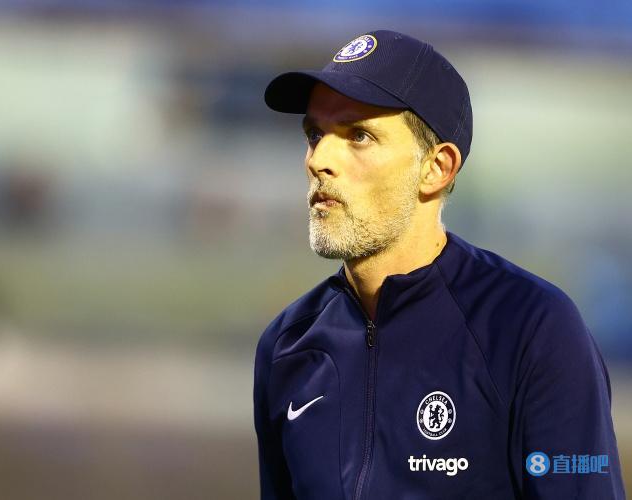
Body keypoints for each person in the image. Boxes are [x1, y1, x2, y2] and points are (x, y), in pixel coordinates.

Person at [253, 29, 626, 499]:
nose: (318, 159)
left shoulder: (531, 329)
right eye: (315, 134)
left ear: (437, 168)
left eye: (359, 135)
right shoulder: (286, 346)